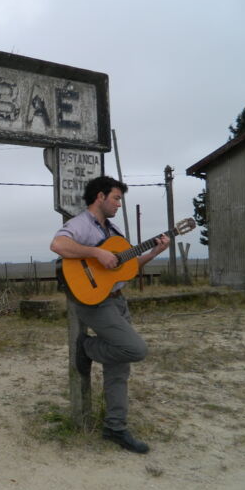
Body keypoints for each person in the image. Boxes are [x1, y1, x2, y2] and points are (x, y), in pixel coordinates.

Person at [50, 175, 170, 454]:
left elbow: (126, 266)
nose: (118, 204)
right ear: (100, 197)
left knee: (119, 368)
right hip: (93, 302)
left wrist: (155, 251)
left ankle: (115, 428)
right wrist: (95, 253)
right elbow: (58, 246)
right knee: (135, 349)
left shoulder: (114, 231)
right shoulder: (80, 224)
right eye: (116, 198)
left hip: (116, 300)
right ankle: (88, 347)